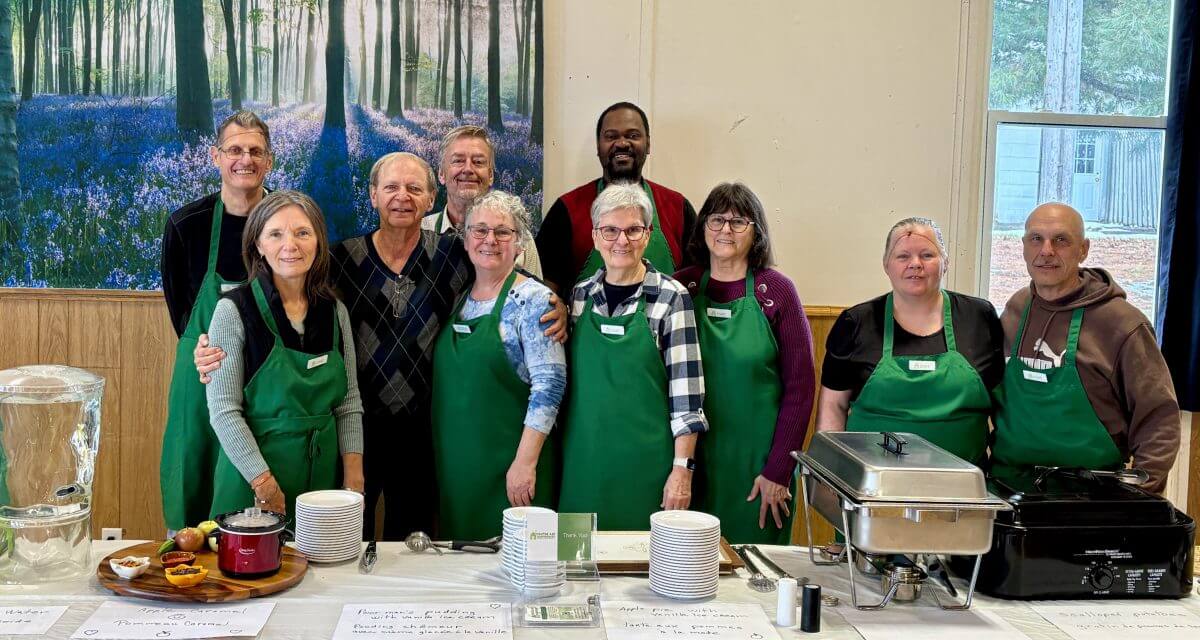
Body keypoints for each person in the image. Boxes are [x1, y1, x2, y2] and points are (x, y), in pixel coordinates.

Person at [196, 153, 568, 540]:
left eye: (414, 188)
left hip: (426, 430)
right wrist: (210, 349)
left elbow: (498, 272)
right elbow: (283, 294)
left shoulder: (452, 254)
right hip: (354, 430)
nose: (401, 196)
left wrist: (551, 303)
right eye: (391, 187)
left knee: (412, 544)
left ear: (431, 199)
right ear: (373, 195)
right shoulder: (340, 259)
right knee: (341, 539)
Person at [990, 202, 1179, 493]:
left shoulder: (1123, 323)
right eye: (1036, 239)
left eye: (1061, 240)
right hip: (1009, 488)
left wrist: (1139, 496)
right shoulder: (1017, 309)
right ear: (1024, 247)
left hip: (1091, 497)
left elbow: (1159, 418)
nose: (1047, 250)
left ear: (1083, 249)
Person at [205, 190, 365, 521]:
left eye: (302, 233)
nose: (290, 245)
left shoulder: (335, 311)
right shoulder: (233, 311)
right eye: (275, 234)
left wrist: (354, 481)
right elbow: (224, 411)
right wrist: (264, 484)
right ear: (258, 245)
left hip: (321, 486)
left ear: (318, 242)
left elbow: (348, 403)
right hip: (250, 485)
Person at [558, 182, 707, 530]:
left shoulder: (672, 298)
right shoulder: (579, 297)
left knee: (640, 560)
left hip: (648, 472)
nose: (621, 241)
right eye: (610, 230)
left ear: (648, 234)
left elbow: (687, 399)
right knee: (575, 558)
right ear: (595, 237)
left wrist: (682, 471)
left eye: (633, 230)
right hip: (582, 467)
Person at [674, 183, 815, 544]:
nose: (726, 230)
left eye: (738, 222)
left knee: (756, 568)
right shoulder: (681, 287)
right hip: (690, 461)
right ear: (703, 226)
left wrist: (779, 470)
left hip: (758, 467)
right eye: (717, 219)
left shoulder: (778, 291)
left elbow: (800, 390)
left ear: (757, 232)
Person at [160, 110, 274, 532]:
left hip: (268, 378)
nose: (245, 160)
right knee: (192, 469)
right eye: (235, 150)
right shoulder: (185, 225)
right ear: (216, 156)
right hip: (202, 374)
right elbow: (182, 311)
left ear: (270, 160)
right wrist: (205, 349)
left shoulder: (287, 223)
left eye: (256, 151)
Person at [431, 190, 566, 539]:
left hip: (513, 468)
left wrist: (525, 463)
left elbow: (549, 388)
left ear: (519, 244)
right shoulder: (460, 297)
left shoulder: (534, 300)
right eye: (480, 230)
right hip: (459, 470)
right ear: (465, 240)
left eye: (503, 232)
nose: (490, 240)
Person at [815, 217, 1005, 465]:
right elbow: (833, 407)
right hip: (873, 483)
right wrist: (830, 471)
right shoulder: (856, 323)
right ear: (886, 264)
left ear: (945, 262)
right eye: (903, 256)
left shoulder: (979, 317)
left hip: (963, 482)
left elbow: (1001, 404)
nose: (915, 264)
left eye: (927, 255)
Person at [536, 102, 696, 296]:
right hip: (587, 316)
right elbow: (546, 289)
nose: (622, 143)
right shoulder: (566, 209)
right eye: (611, 136)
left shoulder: (677, 207)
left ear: (648, 144)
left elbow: (697, 281)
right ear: (598, 146)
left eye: (633, 136)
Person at [422, 125, 543, 278]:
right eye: (458, 161)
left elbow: (535, 292)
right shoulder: (420, 233)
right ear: (441, 174)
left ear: (490, 175)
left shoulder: (518, 237)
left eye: (478, 162)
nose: (468, 169)